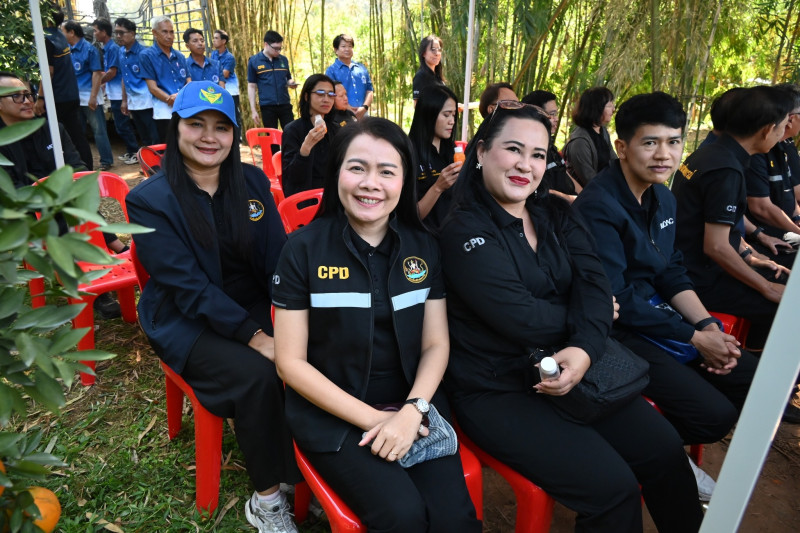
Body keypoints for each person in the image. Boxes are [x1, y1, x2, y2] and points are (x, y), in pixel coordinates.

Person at [439, 100, 704, 532]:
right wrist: (590, 320)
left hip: (579, 366)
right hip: (499, 388)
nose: (525, 165)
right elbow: (521, 317)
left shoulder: (557, 213)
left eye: (538, 154)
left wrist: (583, 348)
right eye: (513, 149)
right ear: (482, 151)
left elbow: (596, 286)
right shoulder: (462, 231)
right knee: (612, 489)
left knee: (664, 450)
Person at [273, 117, 481, 533]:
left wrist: (412, 410)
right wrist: (375, 420)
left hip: (414, 402)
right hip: (332, 410)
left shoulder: (424, 246)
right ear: (336, 173)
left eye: (387, 171)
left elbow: (436, 344)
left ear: (404, 181)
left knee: (453, 519)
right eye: (357, 168)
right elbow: (289, 363)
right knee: (401, 515)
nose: (371, 184)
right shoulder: (302, 250)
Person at [126, 81, 300, 533]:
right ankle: (268, 500)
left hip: (249, 299)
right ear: (175, 128)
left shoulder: (252, 181)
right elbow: (186, 286)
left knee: (312, 352)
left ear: (234, 133)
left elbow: (277, 256)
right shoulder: (149, 200)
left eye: (221, 127)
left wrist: (300, 313)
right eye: (196, 124)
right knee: (258, 375)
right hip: (184, 316)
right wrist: (257, 338)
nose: (209, 137)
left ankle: (304, 470)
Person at [573, 93, 759, 493]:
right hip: (619, 330)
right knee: (713, 416)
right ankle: (652, 449)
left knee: (750, 376)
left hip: (660, 316)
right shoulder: (598, 206)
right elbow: (618, 297)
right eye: (650, 142)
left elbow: (671, 270)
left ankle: (658, 445)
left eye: (673, 142)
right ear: (622, 147)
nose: (664, 154)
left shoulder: (663, 197)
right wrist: (696, 339)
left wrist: (707, 326)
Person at [672, 85, 793, 351]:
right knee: (790, 307)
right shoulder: (726, 169)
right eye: (782, 126)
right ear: (766, 130)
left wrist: (751, 257)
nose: (783, 133)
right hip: (700, 279)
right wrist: (766, 287)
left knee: (784, 280)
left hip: (697, 265)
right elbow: (715, 246)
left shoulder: (710, 153)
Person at [745, 84, 800, 263]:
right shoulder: (757, 151)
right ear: (790, 119)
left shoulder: (783, 147)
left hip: (782, 230)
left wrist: (797, 217)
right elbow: (760, 208)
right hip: (762, 236)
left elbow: (791, 191)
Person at [0, 72, 85, 187]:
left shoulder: (52, 130)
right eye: (16, 96)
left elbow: (77, 167)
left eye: (28, 94)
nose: (27, 101)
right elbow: (9, 190)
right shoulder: (3, 142)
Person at [36, 6, 93, 171]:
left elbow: (48, 72)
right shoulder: (61, 35)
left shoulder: (46, 39)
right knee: (76, 135)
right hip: (71, 95)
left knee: (52, 135)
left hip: (57, 98)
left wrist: (40, 98)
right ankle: (86, 169)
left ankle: (59, 170)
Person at [62, 20, 114, 171]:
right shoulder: (66, 50)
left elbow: (96, 74)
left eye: (63, 31)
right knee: (79, 132)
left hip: (89, 97)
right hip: (74, 98)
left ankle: (106, 160)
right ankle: (81, 163)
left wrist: (93, 97)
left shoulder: (90, 50)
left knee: (99, 131)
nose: (61, 34)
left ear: (72, 32)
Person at [408, 85, 462, 228]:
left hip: (455, 233)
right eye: (446, 115)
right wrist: (438, 187)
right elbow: (410, 217)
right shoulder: (409, 153)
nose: (452, 121)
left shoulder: (453, 151)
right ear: (429, 114)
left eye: (454, 115)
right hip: (424, 236)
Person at [281, 74, 337, 197]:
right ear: (307, 96)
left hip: (333, 196)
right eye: (320, 94)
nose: (326, 99)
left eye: (331, 95)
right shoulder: (292, 130)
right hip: (306, 197)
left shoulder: (336, 129)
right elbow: (290, 177)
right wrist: (306, 148)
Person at [93, 18, 139, 165]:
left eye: (95, 31)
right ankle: (131, 150)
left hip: (119, 93)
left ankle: (134, 152)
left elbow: (112, 72)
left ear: (103, 32)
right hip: (114, 93)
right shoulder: (108, 49)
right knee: (121, 125)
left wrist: (95, 84)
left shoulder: (113, 49)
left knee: (123, 125)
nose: (94, 34)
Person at [522, 90, 581, 202]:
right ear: (536, 114)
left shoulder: (551, 148)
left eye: (556, 114)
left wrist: (585, 196)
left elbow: (565, 175)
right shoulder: (533, 151)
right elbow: (541, 192)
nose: (557, 119)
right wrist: (575, 200)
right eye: (552, 114)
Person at [140, 15, 191, 142]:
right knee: (168, 145)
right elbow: (152, 88)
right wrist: (170, 99)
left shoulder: (179, 56)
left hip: (184, 107)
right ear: (154, 33)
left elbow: (188, 81)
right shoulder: (147, 56)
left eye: (171, 32)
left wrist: (179, 97)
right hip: (163, 111)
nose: (169, 36)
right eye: (165, 32)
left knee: (186, 144)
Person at [114, 17, 159, 148]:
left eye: (122, 33)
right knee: (143, 136)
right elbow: (124, 77)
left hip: (147, 102)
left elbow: (153, 78)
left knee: (154, 135)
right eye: (116, 33)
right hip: (133, 102)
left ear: (132, 33)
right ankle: (148, 159)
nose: (118, 36)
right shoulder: (121, 52)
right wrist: (124, 100)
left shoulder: (144, 53)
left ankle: (159, 159)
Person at [564, 86, 618, 187]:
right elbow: (589, 178)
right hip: (589, 192)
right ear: (596, 108)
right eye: (609, 105)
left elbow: (614, 161)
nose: (613, 109)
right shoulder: (580, 141)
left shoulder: (602, 131)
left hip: (605, 187)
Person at [247, 30, 296, 129]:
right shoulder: (254, 61)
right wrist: (253, 110)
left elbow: (288, 78)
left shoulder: (283, 60)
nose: (278, 51)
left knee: (291, 132)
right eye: (276, 48)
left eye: (280, 48)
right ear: (266, 44)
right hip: (267, 106)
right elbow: (251, 86)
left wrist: (291, 83)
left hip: (285, 103)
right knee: (271, 136)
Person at [324, 34, 373, 119]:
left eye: (350, 46)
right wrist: (349, 109)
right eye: (343, 46)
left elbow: (369, 90)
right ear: (336, 50)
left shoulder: (361, 68)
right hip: (342, 114)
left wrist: (364, 107)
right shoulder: (331, 71)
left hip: (363, 113)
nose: (347, 49)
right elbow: (331, 94)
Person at [211, 29, 242, 129]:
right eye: (214, 38)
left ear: (223, 41)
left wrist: (213, 73)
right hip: (218, 89)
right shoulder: (213, 54)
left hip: (230, 90)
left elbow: (225, 74)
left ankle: (237, 137)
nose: (214, 40)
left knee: (233, 115)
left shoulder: (229, 57)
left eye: (216, 38)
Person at [412, 35, 445, 101]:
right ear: (424, 53)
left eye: (439, 50)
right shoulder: (420, 77)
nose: (437, 53)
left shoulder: (438, 78)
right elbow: (417, 105)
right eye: (433, 50)